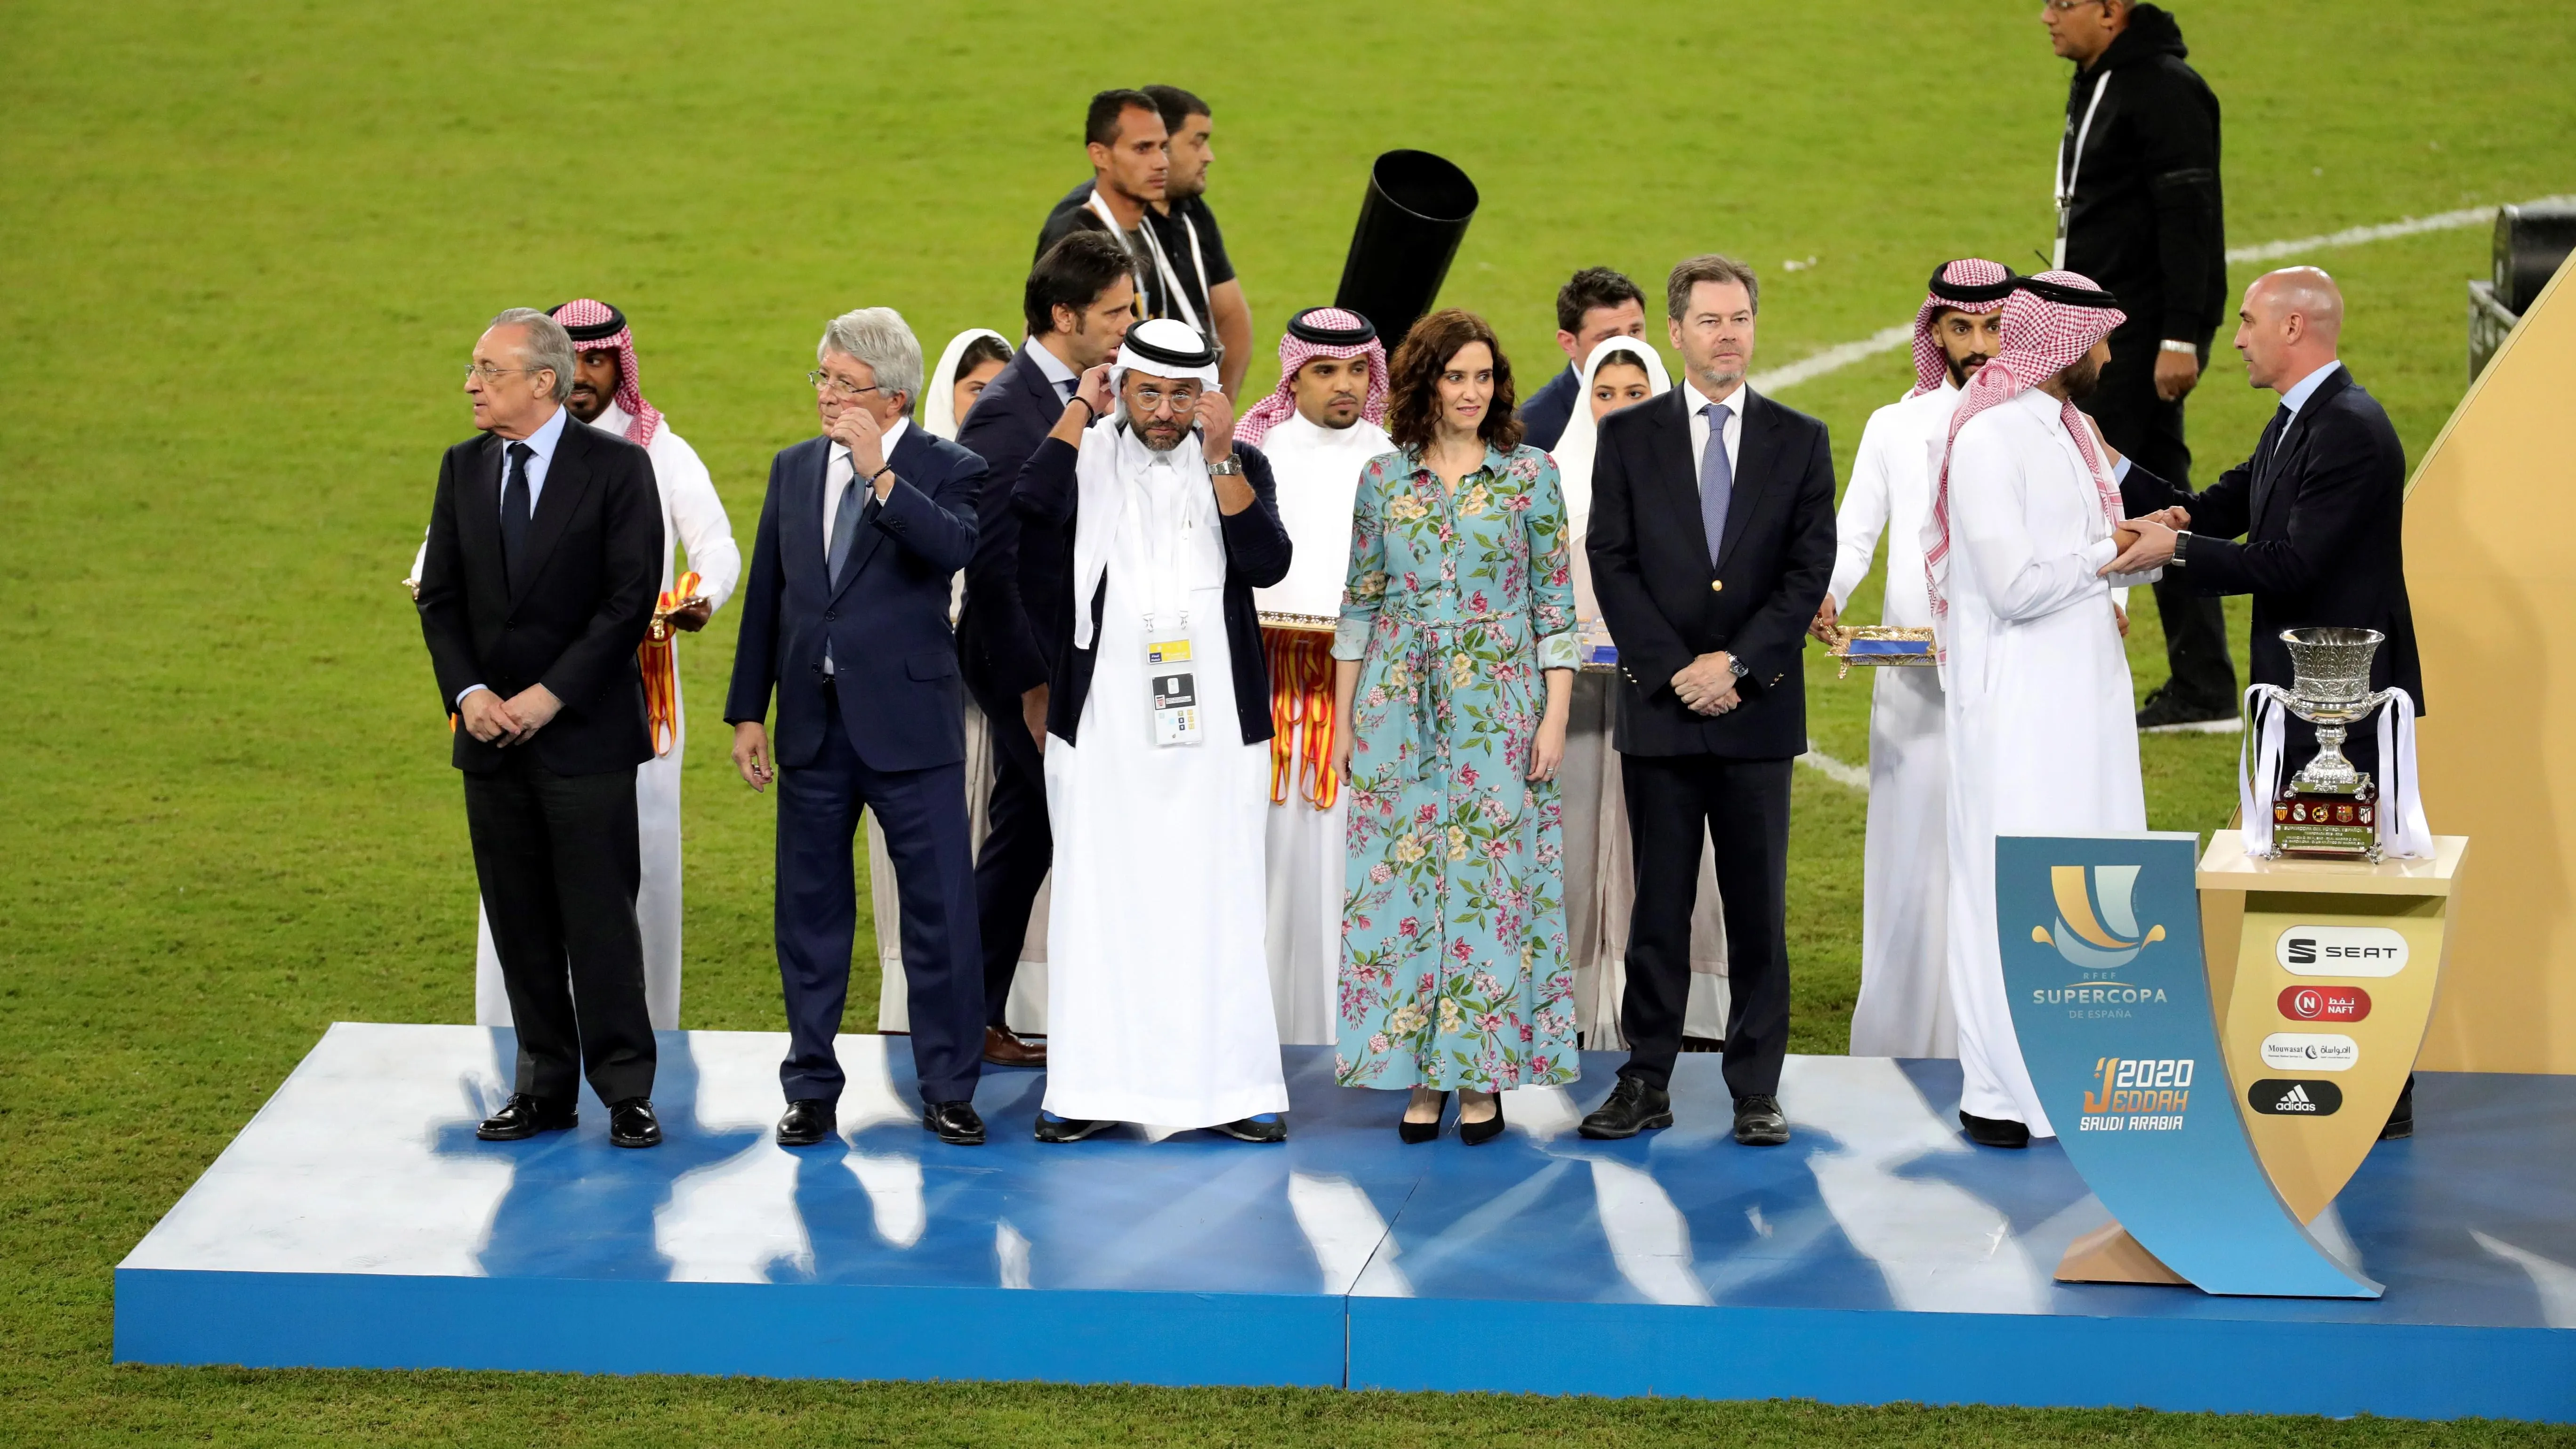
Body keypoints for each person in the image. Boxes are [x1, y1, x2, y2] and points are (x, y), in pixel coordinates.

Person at [2100, 266, 2426, 1140]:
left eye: (2245, 322)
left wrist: (2165, 553)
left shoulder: (2349, 432)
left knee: (2343, 890)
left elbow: (2287, 565)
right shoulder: (2302, 420)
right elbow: (2219, 504)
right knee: (2306, 878)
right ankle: (2318, 1059)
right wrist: (2111, 466)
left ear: (2292, 327)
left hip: (2343, 711)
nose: (2234, 337)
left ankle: (2373, 1081)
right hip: (2298, 699)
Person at [408, 302, 740, 1032]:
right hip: (496, 712)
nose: (589, 375)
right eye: (579, 359)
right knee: (514, 890)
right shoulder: (472, 463)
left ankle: (642, 1042)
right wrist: (470, 689)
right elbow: (436, 571)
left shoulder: (648, 453)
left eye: (600, 361)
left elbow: (711, 550)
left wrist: (698, 598)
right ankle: (518, 1048)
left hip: (631, 693)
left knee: (627, 873)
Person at [1011, 318, 1293, 1143]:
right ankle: (1089, 1087)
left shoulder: (1240, 463)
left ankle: (1232, 1089)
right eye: (1147, 392)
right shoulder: (1084, 455)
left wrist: (1220, 455)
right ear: (1120, 387)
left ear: (1205, 396)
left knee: (1219, 898)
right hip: (1105, 725)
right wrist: (1077, 412)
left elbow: (1267, 561)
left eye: (1181, 395)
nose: (1163, 411)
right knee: (1101, 898)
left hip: (1215, 732)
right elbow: (1029, 507)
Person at [1579, 256, 1836, 1147]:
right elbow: (1610, 558)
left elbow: (1808, 571)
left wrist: (1737, 665)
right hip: (1661, 711)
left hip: (1756, 712)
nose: (1729, 334)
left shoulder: (1800, 438)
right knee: (1658, 907)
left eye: (1741, 319)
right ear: (1678, 333)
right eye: (1712, 320)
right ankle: (1645, 1075)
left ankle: (1755, 1087)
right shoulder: (1628, 436)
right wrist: (1674, 668)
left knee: (1757, 910)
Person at [724, 308, 989, 1149]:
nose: (828, 396)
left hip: (911, 731)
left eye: (845, 384)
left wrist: (879, 476)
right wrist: (745, 710)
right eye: (823, 379)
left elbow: (950, 551)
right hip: (811, 727)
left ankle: (948, 1086)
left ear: (895, 396)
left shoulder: (952, 468)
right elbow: (771, 593)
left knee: (940, 914)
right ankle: (809, 1085)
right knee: (808, 912)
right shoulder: (792, 468)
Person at [416, 308, 665, 1149]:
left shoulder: (619, 469)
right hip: (488, 736)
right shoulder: (461, 469)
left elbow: (628, 599)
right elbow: (440, 598)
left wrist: (548, 695)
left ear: (543, 383)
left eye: (488, 369)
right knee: (519, 919)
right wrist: (471, 691)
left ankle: (626, 1089)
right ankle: (543, 1086)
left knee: (599, 919)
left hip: (583, 735)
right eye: (473, 367)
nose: (471, 383)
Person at [1329, 308, 1579, 1143]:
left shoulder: (1529, 475)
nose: (1471, 392)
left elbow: (1555, 606)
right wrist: (1342, 722)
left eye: (1483, 376)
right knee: (1403, 893)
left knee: (1487, 893)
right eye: (1455, 376)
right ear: (1424, 382)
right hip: (1397, 707)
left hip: (1498, 707)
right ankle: (1416, 1074)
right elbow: (1359, 602)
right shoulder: (1381, 479)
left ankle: (1478, 1074)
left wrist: (1554, 718)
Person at [1925, 270, 2153, 1149]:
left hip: (2082, 702)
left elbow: (2079, 559)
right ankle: (1998, 1092)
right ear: (2063, 342)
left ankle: (2073, 1085)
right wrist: (2112, 551)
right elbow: (2016, 587)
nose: (2107, 353)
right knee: (2007, 892)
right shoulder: (1989, 439)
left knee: (2092, 884)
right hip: (2016, 711)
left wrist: (2148, 546)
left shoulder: (2068, 430)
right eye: (2099, 336)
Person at [1808, 261, 2014, 1061]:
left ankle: (1991, 1034)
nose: (1975, 346)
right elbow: (1853, 532)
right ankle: (1902, 1035)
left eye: (1992, 328)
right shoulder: (1893, 426)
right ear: (1932, 331)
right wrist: (1824, 592)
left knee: (1994, 849)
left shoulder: (2036, 421)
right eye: (1959, 329)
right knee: (1907, 852)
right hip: (1909, 681)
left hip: (2005, 678)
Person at [955, 232, 1138, 1069]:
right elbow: (989, 564)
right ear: (1063, 315)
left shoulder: (1094, 393)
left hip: (1073, 656)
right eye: (1115, 311)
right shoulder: (1008, 410)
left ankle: (970, 1014)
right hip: (1022, 663)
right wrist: (1030, 686)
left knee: (1028, 834)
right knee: (1047, 828)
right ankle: (979, 1015)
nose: (1129, 322)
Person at [2043, 0, 2231, 728]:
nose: (2046, 17)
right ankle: (2204, 683)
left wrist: (2183, 335)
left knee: (2088, 491)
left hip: (2131, 339)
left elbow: (2192, 218)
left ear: (2111, 11)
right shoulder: (2098, 78)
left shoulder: (2162, 88)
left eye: (2063, 4)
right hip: (2103, 330)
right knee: (2162, 500)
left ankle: (2088, 671)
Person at [1239, 307, 1392, 1047]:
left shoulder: (1394, 456)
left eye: (1358, 370)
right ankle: (1255, 1030)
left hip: (1357, 700)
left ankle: (1344, 1033)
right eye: (1326, 371)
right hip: (1264, 693)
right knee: (1263, 858)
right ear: (1293, 377)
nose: (1345, 386)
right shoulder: (1253, 450)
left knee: (1345, 864)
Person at [1034, 89, 1250, 395]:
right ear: (1100, 156)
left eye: (1163, 148)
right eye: (1143, 149)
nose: (1162, 162)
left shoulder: (1148, 228)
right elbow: (1045, 347)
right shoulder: (1077, 237)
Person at [1514, 267, 1651, 452]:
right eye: (1610, 338)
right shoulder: (1532, 429)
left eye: (1635, 332)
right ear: (1569, 343)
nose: (1628, 347)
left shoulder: (1662, 387)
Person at [925, 329, 1013, 441]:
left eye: (1001, 390)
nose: (991, 402)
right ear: (948, 393)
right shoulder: (914, 457)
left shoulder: (1030, 455)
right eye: (978, 390)